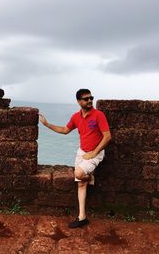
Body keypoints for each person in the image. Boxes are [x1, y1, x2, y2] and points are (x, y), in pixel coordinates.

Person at [39, 89, 111, 228]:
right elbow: (65, 130)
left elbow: (107, 136)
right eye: (86, 99)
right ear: (79, 101)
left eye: (91, 98)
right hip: (81, 152)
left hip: (95, 152)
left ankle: (90, 177)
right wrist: (47, 124)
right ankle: (82, 217)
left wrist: (94, 152)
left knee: (78, 174)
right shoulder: (76, 117)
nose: (89, 100)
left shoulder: (99, 115)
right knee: (81, 183)